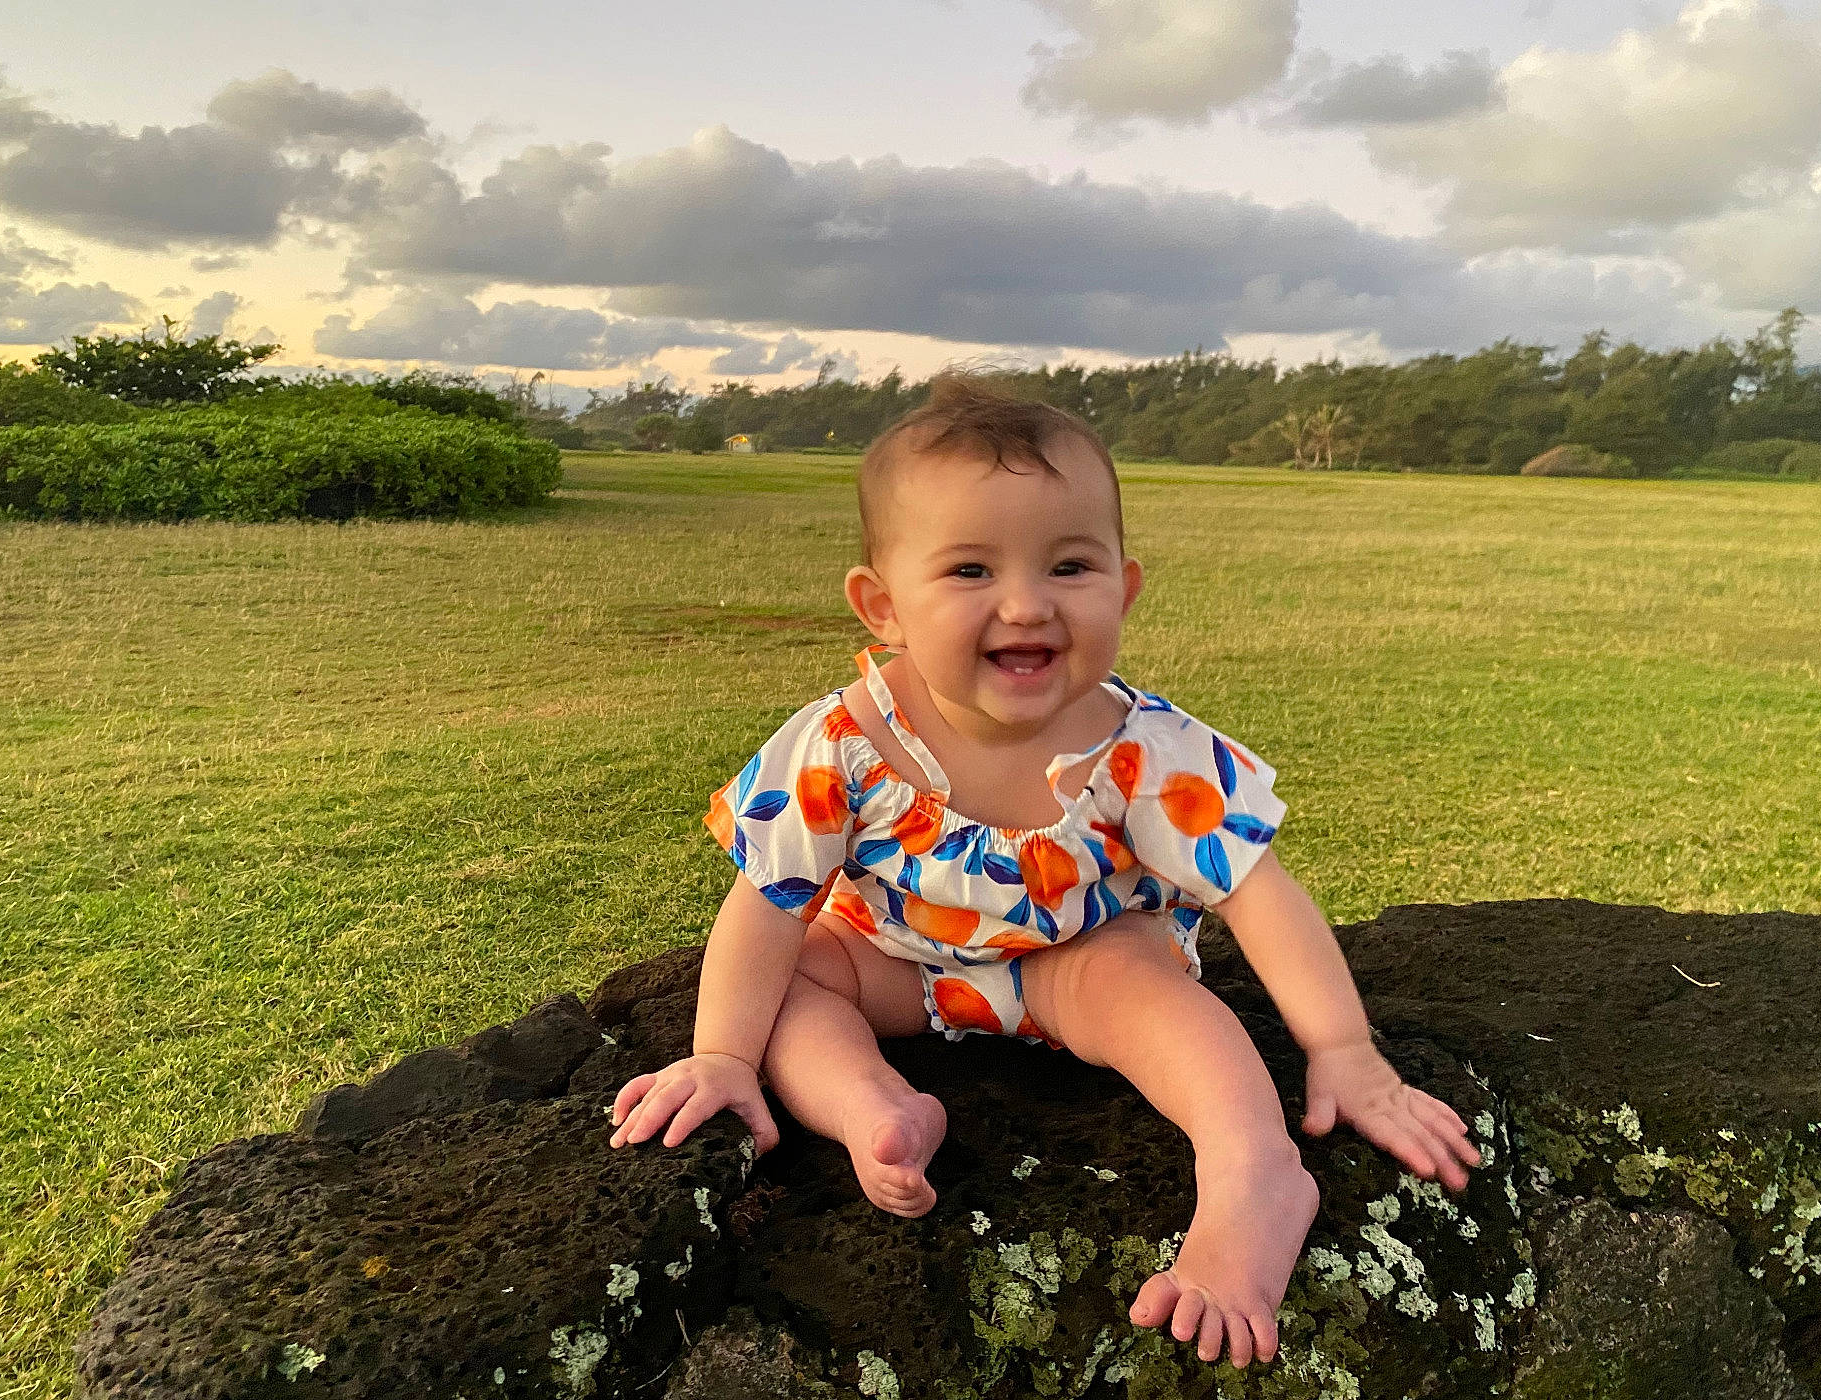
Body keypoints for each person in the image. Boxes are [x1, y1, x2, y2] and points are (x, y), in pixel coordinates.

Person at [608, 378, 1479, 1369]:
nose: (1026, 604)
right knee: (798, 973)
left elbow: (1258, 894)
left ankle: (1252, 1172)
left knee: (1151, 995)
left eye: (1069, 565)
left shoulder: (1143, 749)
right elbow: (766, 905)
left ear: (1125, 587)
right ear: (882, 606)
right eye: (970, 569)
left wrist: (1342, 1050)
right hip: (895, 962)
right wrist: (719, 1056)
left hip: (1079, 961)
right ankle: (871, 1108)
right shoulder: (843, 742)